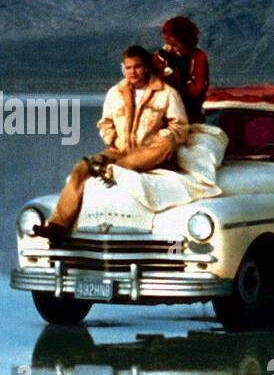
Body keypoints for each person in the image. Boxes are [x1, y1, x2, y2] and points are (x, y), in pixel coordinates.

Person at [34, 45, 188, 238]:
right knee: (81, 168)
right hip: (118, 152)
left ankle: (115, 169)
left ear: (146, 67)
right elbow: (105, 123)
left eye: (137, 67)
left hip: (150, 152)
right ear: (123, 68)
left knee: (165, 145)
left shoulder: (166, 93)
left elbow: (180, 127)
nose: (132, 72)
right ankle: (58, 225)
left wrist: (164, 137)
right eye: (128, 67)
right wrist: (112, 138)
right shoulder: (115, 93)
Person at [151, 16, 209, 124]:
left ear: (187, 43)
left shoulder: (198, 57)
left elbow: (198, 89)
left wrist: (175, 80)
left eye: (175, 45)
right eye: (167, 42)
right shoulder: (164, 56)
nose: (169, 47)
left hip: (189, 112)